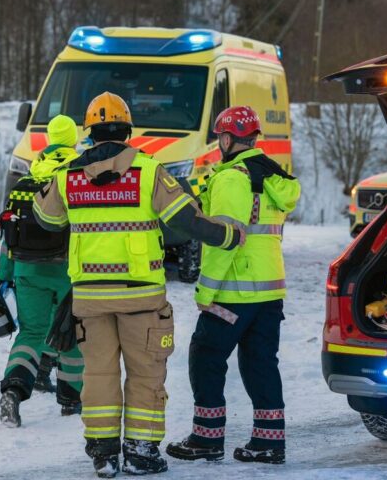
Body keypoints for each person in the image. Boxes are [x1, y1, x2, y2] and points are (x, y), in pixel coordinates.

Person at [33, 92, 244, 478]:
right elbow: (188, 221)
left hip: (90, 297)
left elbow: (44, 218)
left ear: (89, 132)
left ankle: (103, 452)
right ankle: (141, 451)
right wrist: (230, 236)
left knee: (98, 374)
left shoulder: (67, 176)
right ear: (128, 130)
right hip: (140, 297)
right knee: (146, 373)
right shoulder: (148, 171)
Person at [166, 106, 300, 465]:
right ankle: (269, 441)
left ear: (226, 139)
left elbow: (226, 241)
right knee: (260, 364)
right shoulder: (271, 175)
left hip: (234, 292)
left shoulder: (230, 178)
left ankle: (207, 438)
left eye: (219, 137)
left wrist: (204, 291)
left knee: (205, 356)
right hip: (269, 291)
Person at [0, 115, 85, 427]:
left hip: (26, 269)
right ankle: (71, 400)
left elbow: (7, 235)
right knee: (73, 335)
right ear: (74, 139)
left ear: (48, 139)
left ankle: (13, 391)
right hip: (68, 271)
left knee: (31, 332)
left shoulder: (24, 183)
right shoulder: (78, 177)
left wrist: (5, 275)